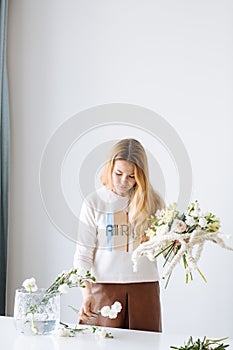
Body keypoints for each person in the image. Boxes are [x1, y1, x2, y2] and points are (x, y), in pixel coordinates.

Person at [73, 138, 164, 332]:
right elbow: (83, 254)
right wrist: (86, 293)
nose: (124, 182)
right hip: (104, 288)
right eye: (119, 173)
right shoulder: (94, 202)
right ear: (109, 168)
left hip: (144, 287)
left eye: (132, 177)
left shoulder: (154, 203)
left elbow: (160, 246)